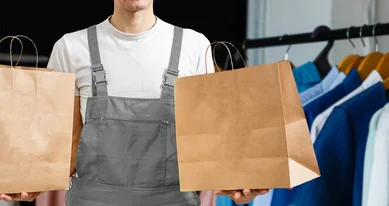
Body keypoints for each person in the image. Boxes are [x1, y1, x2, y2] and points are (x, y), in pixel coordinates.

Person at [0, 0, 269, 205]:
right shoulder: (70, 48)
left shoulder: (194, 46)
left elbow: (212, 143)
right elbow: (66, 146)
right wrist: (27, 179)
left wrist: (239, 184)